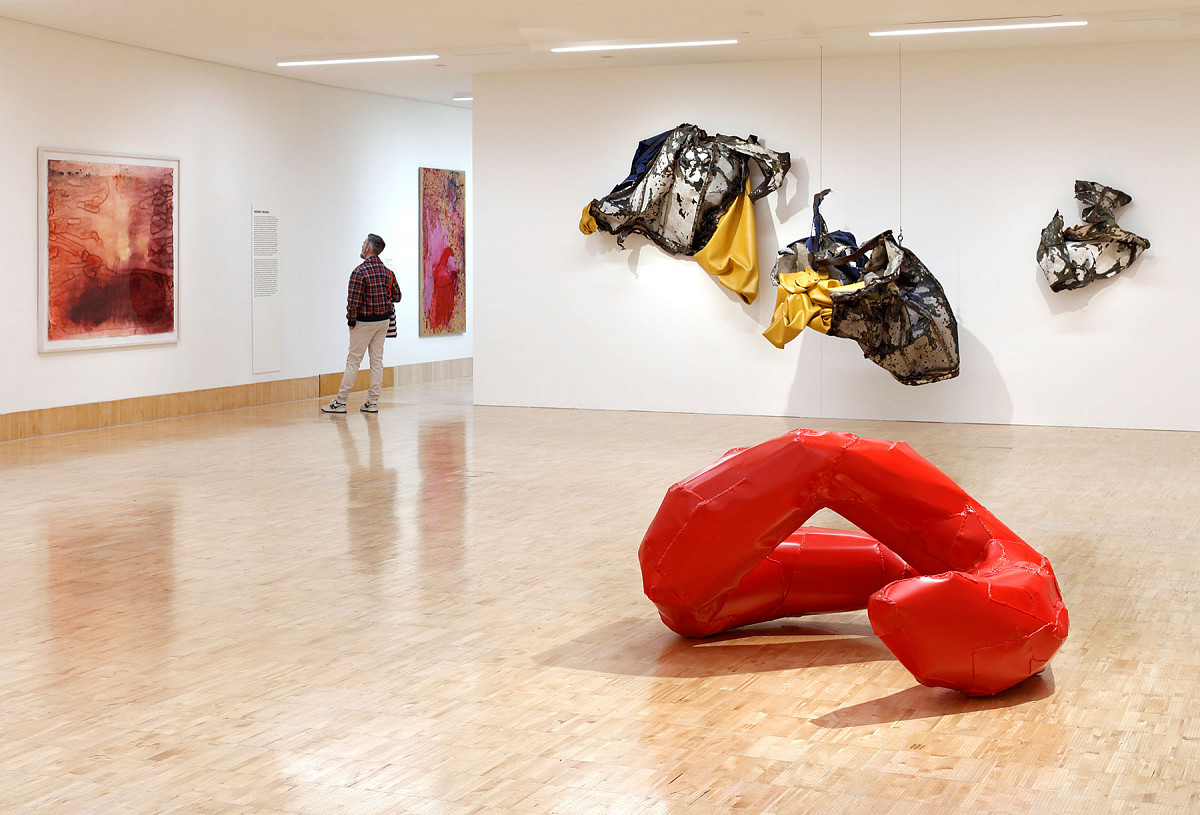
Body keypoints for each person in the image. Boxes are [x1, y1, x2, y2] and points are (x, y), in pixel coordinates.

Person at [322, 233, 402, 414]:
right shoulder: (388, 273)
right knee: (377, 362)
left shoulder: (359, 272)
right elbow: (397, 296)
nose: (361, 245)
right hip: (383, 321)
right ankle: (372, 402)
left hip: (363, 323)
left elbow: (353, 302)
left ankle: (340, 402)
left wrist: (351, 321)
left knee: (353, 361)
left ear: (367, 248)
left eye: (363, 243)